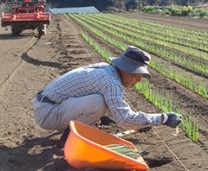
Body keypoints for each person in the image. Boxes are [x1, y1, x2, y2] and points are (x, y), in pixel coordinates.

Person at [31, 45, 182, 147]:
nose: (138, 80)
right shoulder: (110, 81)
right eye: (138, 75)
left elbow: (117, 106)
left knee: (101, 103)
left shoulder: (106, 69)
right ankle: (69, 139)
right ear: (127, 70)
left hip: (45, 105)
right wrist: (163, 118)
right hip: (47, 114)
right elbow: (125, 120)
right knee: (98, 103)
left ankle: (77, 128)